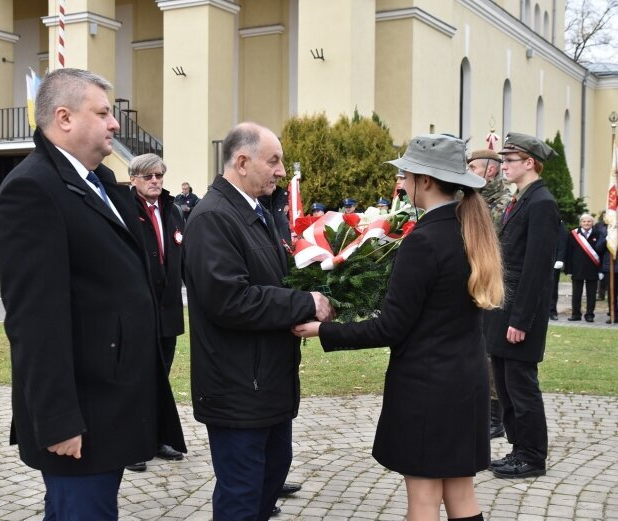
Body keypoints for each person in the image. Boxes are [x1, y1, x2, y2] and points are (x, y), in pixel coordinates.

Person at [0, 68, 185, 520]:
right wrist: (57, 419)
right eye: (102, 113)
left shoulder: (97, 184)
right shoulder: (32, 188)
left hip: (110, 399)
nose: (114, 124)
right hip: (80, 410)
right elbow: (35, 319)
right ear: (64, 118)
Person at [294, 134, 502, 521]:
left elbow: (390, 327)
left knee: (423, 503)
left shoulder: (423, 241)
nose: (402, 183)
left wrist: (323, 331)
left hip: (427, 387)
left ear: (424, 180)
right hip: (466, 379)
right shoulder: (469, 230)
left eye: (406, 174)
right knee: (461, 496)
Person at [184, 122, 335, 521]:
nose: (282, 170)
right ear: (242, 161)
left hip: (267, 384)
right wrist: (305, 303)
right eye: (274, 161)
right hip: (238, 389)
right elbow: (230, 300)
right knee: (243, 498)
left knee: (267, 488)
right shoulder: (213, 218)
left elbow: (271, 280)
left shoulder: (256, 212)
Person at [484, 132, 560, 479]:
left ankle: (532, 456)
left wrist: (522, 320)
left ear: (530, 163)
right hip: (503, 311)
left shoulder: (541, 202)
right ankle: (518, 449)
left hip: (518, 315)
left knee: (521, 387)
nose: (504, 167)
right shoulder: (522, 199)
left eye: (510, 161)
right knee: (506, 384)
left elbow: (536, 269)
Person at [126, 153, 186, 472]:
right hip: (137, 312)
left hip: (168, 312)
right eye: (148, 176)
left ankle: (159, 437)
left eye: (159, 175)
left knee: (160, 376)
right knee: (136, 378)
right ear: (133, 178)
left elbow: (183, 257)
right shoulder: (123, 211)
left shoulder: (172, 211)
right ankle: (132, 442)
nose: (155, 181)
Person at [467, 148, 512, 440]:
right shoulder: (473, 198)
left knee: (490, 351)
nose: (468, 169)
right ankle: (480, 409)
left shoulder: (503, 203)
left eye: (472, 166)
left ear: (489, 170)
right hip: (471, 281)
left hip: (492, 285)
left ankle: (495, 417)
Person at [565, 213, 605, 322]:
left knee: (591, 294)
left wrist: (601, 270)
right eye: (584, 221)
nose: (586, 223)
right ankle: (576, 314)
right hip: (577, 269)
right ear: (580, 223)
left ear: (592, 223)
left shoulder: (598, 234)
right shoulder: (573, 234)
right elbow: (568, 253)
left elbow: (601, 254)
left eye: (589, 221)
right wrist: (568, 270)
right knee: (576, 294)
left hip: (593, 269)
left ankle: (590, 315)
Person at [550, 220, 568, 320]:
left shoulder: (559, 223)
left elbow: (562, 241)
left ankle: (552, 311)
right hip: (539, 261)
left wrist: (560, 259)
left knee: (552, 288)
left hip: (554, 262)